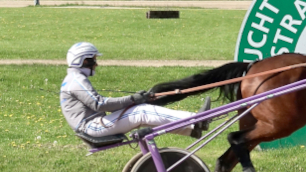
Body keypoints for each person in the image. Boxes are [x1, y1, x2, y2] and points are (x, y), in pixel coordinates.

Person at [60, 42, 209, 138]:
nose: (96, 64)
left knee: (141, 110)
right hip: (92, 127)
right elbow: (99, 104)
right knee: (141, 112)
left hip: (93, 124)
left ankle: (191, 129)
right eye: (94, 59)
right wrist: (133, 99)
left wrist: (136, 100)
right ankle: (195, 121)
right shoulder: (76, 80)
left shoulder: (74, 78)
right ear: (85, 61)